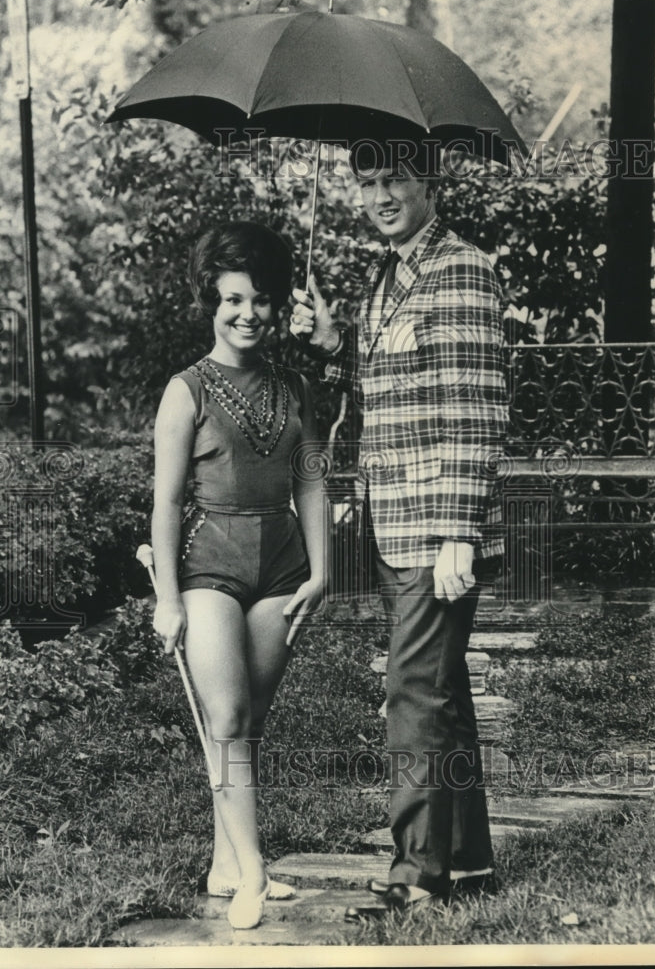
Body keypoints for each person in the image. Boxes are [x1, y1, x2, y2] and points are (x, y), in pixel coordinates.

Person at [290, 139, 509, 918]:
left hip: (436, 527)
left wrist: (460, 531)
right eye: (369, 182)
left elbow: (476, 407)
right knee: (439, 691)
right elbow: (387, 382)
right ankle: (469, 860)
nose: (380, 196)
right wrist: (330, 342)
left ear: (429, 182)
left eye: (396, 180)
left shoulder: (461, 269)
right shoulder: (386, 274)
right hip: (395, 522)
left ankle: (416, 872)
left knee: (410, 690)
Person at [151, 221, 326, 930]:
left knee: (248, 724)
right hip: (209, 568)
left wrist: (322, 573)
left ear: (278, 303)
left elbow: (314, 481)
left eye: (259, 300)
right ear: (211, 303)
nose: (246, 314)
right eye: (231, 300)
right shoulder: (185, 391)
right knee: (224, 717)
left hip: (283, 568)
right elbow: (163, 503)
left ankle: (227, 862)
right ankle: (253, 872)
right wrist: (167, 599)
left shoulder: (297, 388)